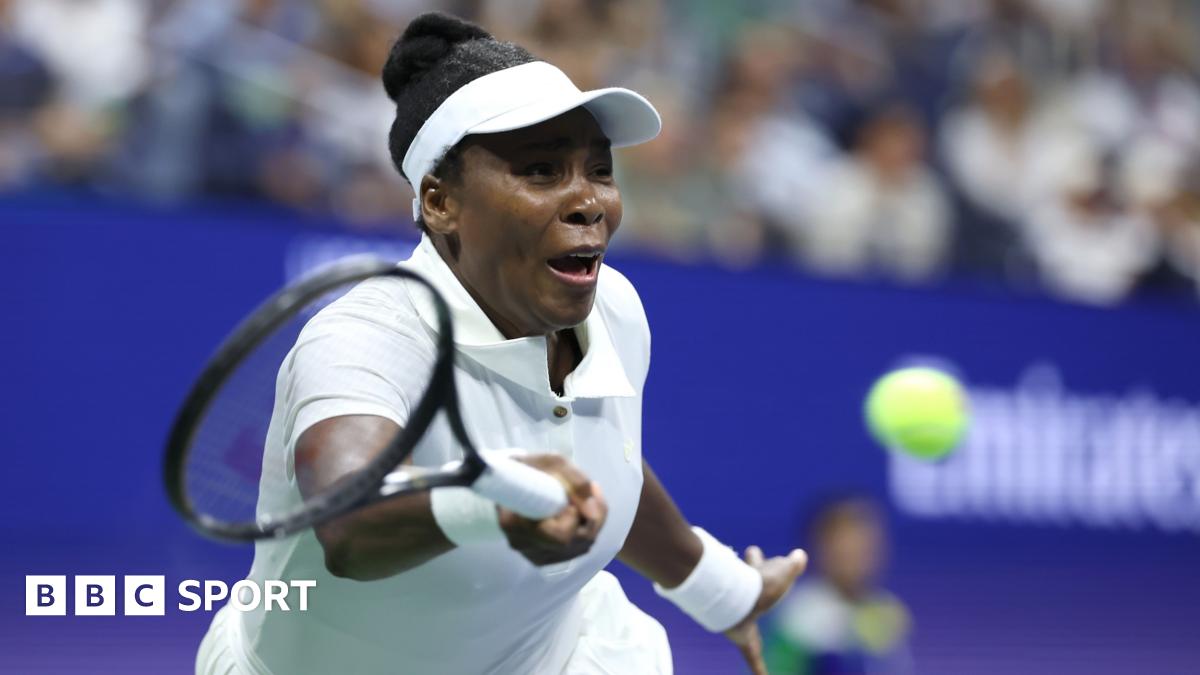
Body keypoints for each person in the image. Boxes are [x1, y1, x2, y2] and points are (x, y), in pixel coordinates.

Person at [195, 12, 807, 675]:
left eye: (599, 170)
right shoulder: (367, 336)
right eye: (542, 171)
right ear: (439, 201)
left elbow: (605, 464)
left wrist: (722, 589)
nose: (589, 201)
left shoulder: (617, 312)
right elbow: (347, 521)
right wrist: (489, 505)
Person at [764, 496, 913, 675]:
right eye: (845, 545)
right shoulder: (797, 617)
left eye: (864, 545)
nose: (856, 556)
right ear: (821, 547)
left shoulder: (888, 610)